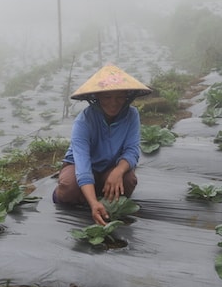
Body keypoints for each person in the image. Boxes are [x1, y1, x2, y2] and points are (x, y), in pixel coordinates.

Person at [53, 64, 152, 225]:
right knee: (69, 187)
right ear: (97, 97)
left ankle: (95, 191)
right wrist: (93, 203)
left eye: (119, 97)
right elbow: (83, 164)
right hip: (81, 166)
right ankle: (86, 196)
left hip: (110, 166)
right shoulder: (84, 121)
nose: (114, 103)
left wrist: (118, 171)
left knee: (128, 181)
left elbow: (132, 150)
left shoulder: (132, 115)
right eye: (107, 97)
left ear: (127, 96)